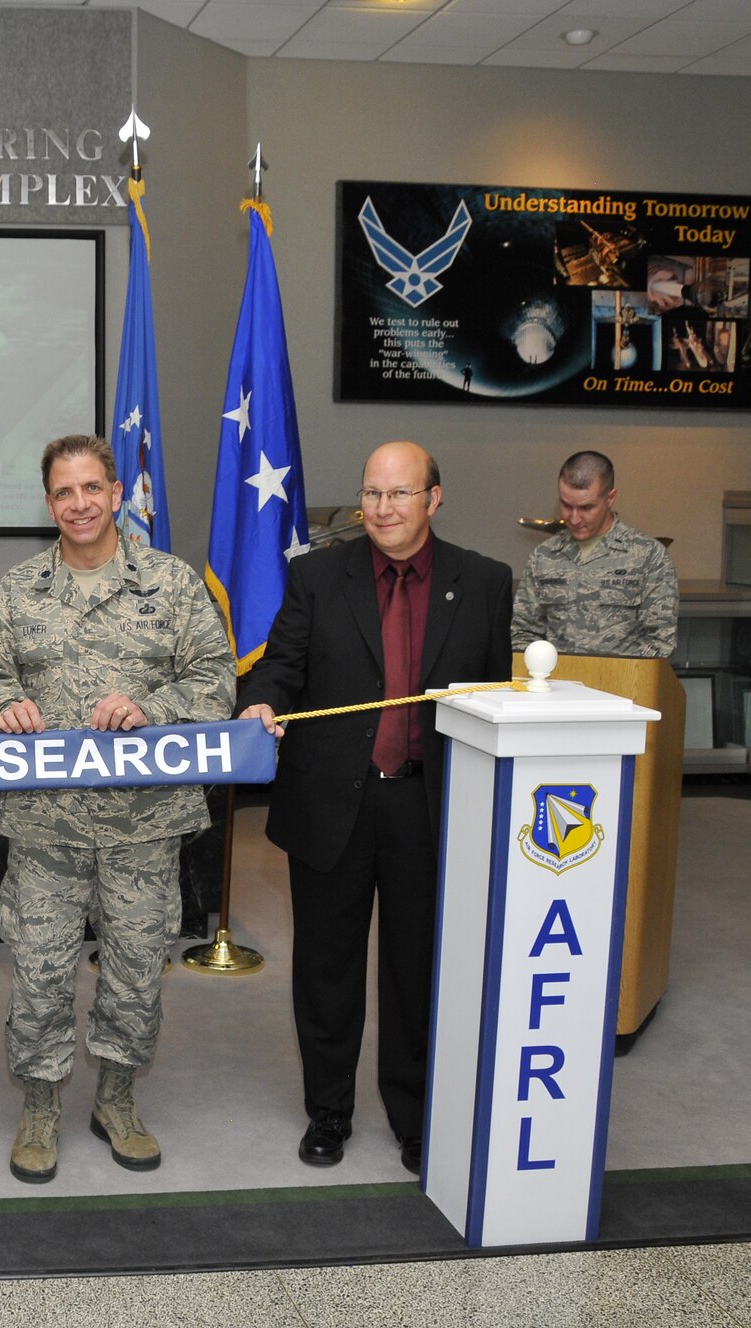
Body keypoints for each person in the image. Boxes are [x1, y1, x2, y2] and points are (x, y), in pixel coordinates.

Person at [237, 441, 512, 1177]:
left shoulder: (484, 582)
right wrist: (261, 700)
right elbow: (282, 661)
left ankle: (416, 1118)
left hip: (433, 805)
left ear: (434, 498)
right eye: (371, 494)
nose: (382, 509)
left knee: (417, 971)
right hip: (334, 804)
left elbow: (492, 695)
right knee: (326, 970)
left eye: (399, 494)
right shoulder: (318, 575)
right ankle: (328, 1114)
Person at [0, 433, 235, 1183]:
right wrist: (7, 705)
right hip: (44, 825)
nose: (79, 504)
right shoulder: (19, 588)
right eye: (64, 493)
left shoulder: (173, 584)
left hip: (144, 827)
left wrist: (153, 706)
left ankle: (117, 1099)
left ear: (117, 495)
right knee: (40, 972)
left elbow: (216, 681)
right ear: (49, 502)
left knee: (133, 971)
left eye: (92, 489)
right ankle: (41, 1104)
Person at [512, 450, 677, 659]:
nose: (574, 518)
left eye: (586, 507)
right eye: (566, 505)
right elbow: (522, 632)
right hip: (557, 686)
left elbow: (660, 641)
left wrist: (620, 676)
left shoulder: (648, 556)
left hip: (623, 687)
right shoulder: (544, 555)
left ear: (610, 498)